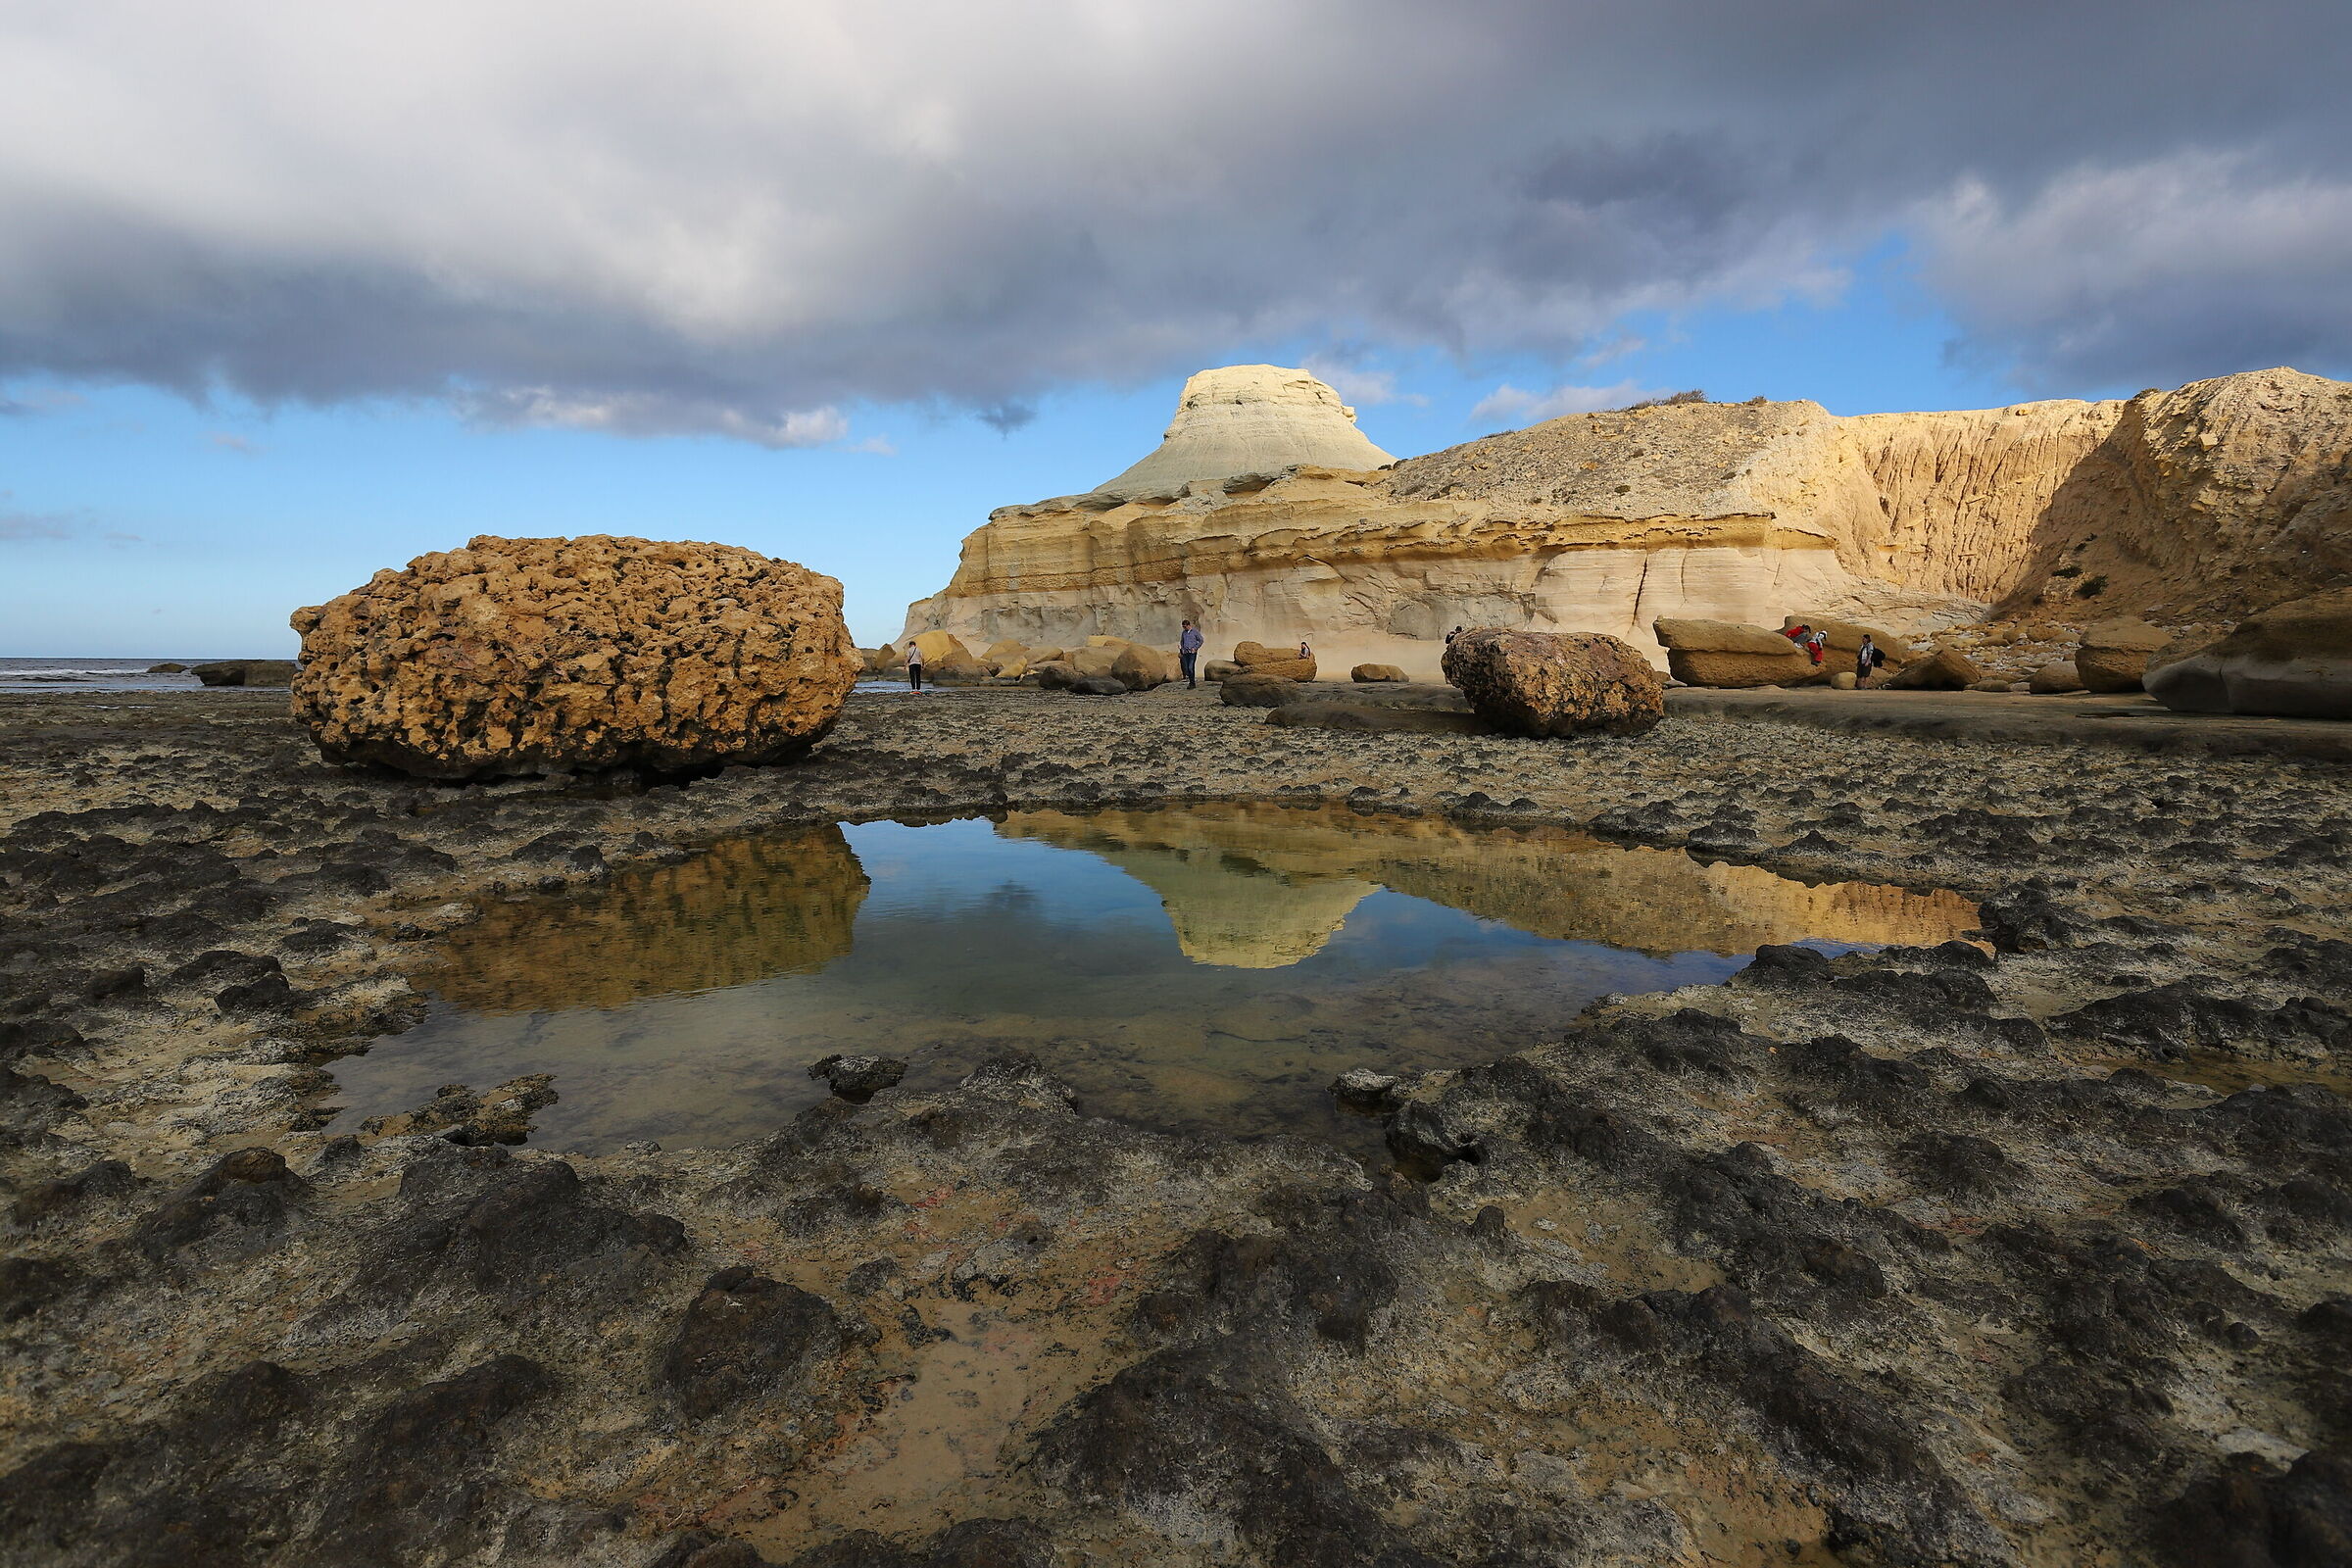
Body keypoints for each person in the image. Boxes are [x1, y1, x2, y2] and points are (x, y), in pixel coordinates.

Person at [1178, 618, 1204, 688]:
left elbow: (1201, 640)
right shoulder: (1184, 633)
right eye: (1183, 627)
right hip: (1185, 653)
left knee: (1190, 667)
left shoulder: (1195, 632)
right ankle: (1191, 682)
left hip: (1192, 653)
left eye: (1185, 627)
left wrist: (1195, 648)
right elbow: (1182, 641)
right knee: (1186, 668)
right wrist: (1182, 649)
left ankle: (1192, 683)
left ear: (1189, 625)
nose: (1184, 628)